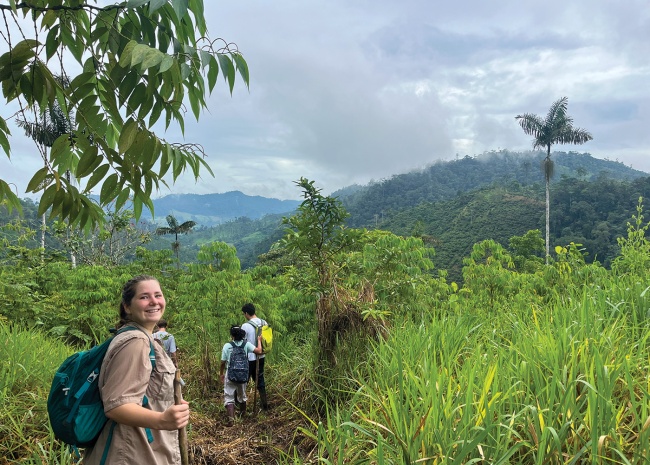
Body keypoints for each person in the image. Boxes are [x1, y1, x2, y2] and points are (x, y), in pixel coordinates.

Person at [84, 275, 190, 465]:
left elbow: (141, 393)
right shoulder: (136, 342)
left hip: (144, 451)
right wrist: (162, 419)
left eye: (158, 295)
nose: (154, 302)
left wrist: (165, 399)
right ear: (127, 307)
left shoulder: (145, 339)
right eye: (144, 297)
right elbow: (116, 406)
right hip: (131, 453)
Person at [219, 325, 262, 426]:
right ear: (242, 335)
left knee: (229, 396)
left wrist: (221, 374)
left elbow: (222, 362)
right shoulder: (246, 344)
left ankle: (231, 420)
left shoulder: (227, 346)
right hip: (243, 375)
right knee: (242, 395)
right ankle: (243, 417)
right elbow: (259, 351)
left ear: (232, 335)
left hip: (230, 374)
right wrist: (259, 340)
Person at [241, 302, 269, 409]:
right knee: (260, 380)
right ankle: (264, 404)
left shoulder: (245, 326)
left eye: (244, 313)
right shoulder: (264, 322)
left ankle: (241, 405)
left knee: (244, 381)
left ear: (247, 313)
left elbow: (242, 343)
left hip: (249, 358)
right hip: (261, 356)